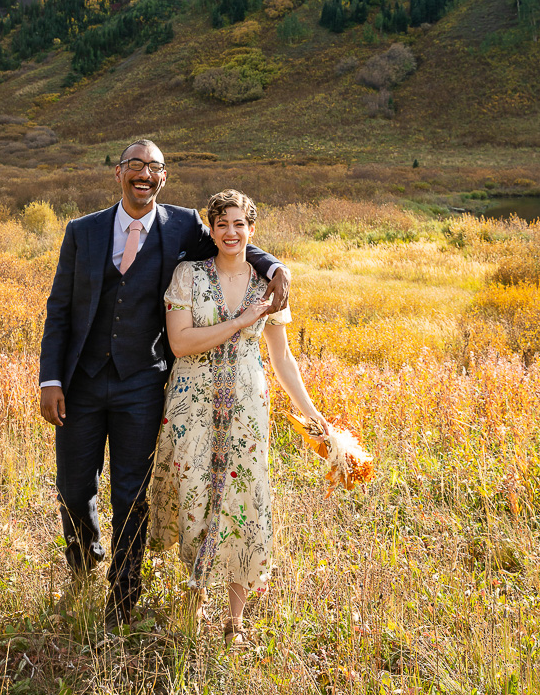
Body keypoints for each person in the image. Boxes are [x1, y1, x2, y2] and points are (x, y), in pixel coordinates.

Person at [38, 140, 289, 627]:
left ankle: (124, 592)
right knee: (72, 487)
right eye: (136, 166)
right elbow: (60, 308)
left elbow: (232, 239)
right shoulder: (82, 232)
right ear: (118, 173)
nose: (144, 175)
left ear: (164, 178)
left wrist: (273, 265)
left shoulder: (181, 226)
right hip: (82, 382)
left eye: (154, 168)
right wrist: (51, 378)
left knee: (132, 493)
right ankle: (85, 560)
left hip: (144, 383)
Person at [148, 188, 328, 646]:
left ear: (252, 229)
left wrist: (312, 413)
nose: (230, 232)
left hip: (248, 402)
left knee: (244, 499)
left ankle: (235, 617)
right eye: (221, 224)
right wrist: (240, 320)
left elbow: (282, 359)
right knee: (196, 494)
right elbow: (181, 344)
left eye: (239, 224)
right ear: (210, 229)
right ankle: (195, 599)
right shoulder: (188, 276)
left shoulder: (271, 284)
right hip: (192, 399)